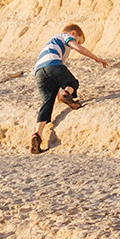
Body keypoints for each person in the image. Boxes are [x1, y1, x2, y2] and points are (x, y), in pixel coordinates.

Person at [30, 23, 107, 154]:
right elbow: (78, 49)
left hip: (39, 70)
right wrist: (97, 58)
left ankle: (37, 134)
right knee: (73, 82)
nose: (78, 43)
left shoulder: (52, 45)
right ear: (73, 34)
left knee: (47, 102)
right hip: (53, 64)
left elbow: (54, 76)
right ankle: (67, 93)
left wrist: (58, 97)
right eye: (78, 40)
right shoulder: (65, 36)